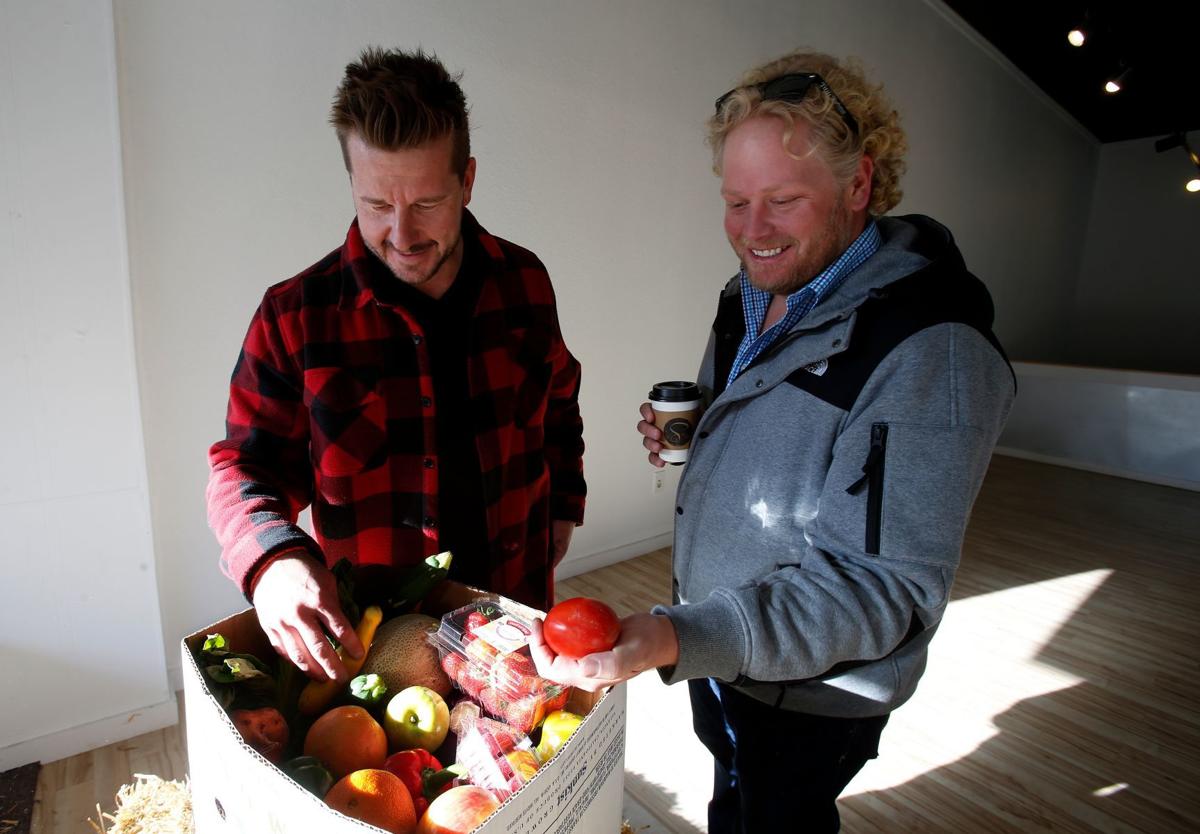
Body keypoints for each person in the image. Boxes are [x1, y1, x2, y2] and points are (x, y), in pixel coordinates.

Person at [529, 50, 1014, 832]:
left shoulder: (934, 353)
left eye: (783, 201)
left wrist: (678, 633)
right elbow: (772, 408)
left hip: (815, 687)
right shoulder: (755, 292)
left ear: (859, 184)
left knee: (780, 814)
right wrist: (707, 434)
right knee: (733, 795)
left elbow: (882, 591)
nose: (751, 233)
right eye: (734, 200)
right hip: (722, 648)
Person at [208, 47, 585, 684]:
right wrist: (272, 559)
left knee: (529, 777)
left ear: (467, 180)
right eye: (377, 205)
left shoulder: (525, 280)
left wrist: (564, 504)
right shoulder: (295, 315)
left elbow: (558, 397)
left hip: (518, 614)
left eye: (428, 203)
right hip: (382, 644)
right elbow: (245, 466)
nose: (403, 235)